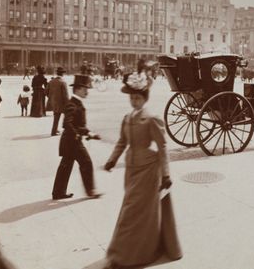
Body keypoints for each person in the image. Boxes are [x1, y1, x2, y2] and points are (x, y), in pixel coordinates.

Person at [103, 72, 182, 268]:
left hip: (148, 170)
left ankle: (130, 254)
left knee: (134, 213)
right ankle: (130, 249)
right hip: (131, 169)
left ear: (145, 99)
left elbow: (162, 147)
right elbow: (122, 142)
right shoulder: (127, 118)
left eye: (137, 98)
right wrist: (112, 160)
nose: (134, 101)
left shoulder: (151, 119)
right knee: (134, 211)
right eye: (131, 98)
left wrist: (166, 174)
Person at [51, 74, 102, 200]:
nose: (87, 92)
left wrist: (89, 133)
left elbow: (77, 124)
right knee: (86, 163)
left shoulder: (75, 103)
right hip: (72, 142)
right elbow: (66, 123)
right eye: (85, 89)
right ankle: (91, 191)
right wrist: (77, 134)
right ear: (78, 89)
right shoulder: (72, 104)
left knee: (65, 166)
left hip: (69, 141)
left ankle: (58, 192)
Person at [47, 67, 69, 136]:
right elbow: (65, 95)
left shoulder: (51, 81)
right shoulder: (63, 82)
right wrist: (68, 104)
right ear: (62, 74)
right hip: (62, 103)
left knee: (56, 117)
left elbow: (46, 91)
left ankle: (54, 130)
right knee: (68, 117)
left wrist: (51, 98)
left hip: (53, 102)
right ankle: (67, 131)